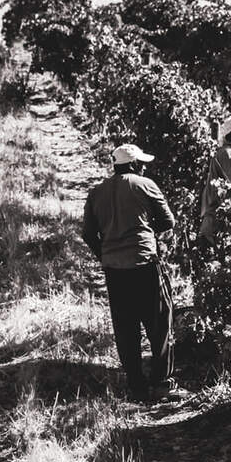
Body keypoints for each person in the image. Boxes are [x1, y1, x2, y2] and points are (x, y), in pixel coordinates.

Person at [82, 143, 178, 402]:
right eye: (142, 164)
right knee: (159, 324)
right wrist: (145, 230)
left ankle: (136, 385)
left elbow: (88, 233)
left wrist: (105, 254)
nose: (144, 167)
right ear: (135, 165)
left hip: (115, 269)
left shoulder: (97, 192)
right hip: (145, 263)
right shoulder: (145, 184)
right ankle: (161, 383)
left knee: (126, 328)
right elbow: (168, 221)